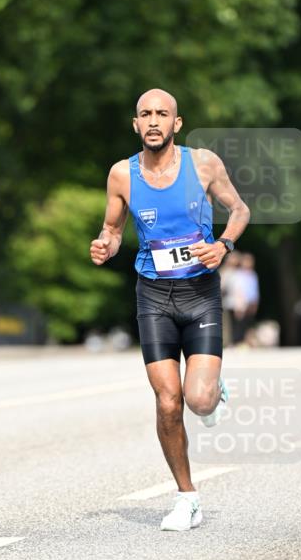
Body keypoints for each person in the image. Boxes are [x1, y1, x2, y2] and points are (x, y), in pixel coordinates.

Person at [90, 89, 250, 531]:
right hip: (154, 296)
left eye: (162, 114)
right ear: (135, 124)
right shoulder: (121, 174)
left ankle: (213, 390)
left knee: (198, 400)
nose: (154, 121)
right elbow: (112, 228)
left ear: (176, 124)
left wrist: (224, 245)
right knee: (167, 401)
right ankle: (187, 497)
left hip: (200, 293)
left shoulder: (203, 164)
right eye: (146, 114)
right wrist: (106, 244)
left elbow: (239, 209)